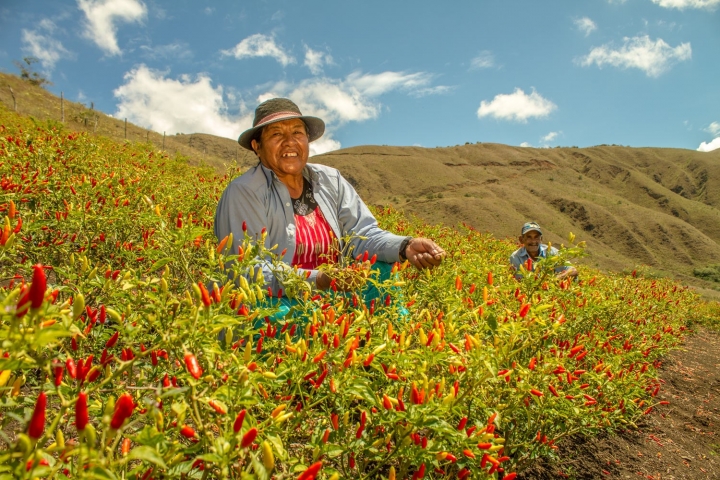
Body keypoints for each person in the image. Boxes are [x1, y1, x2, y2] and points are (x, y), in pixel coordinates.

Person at [214, 98, 445, 296]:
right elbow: (247, 270)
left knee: (382, 271)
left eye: (297, 132)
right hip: (281, 300)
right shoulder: (244, 192)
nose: (289, 142)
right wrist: (320, 279)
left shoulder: (329, 179)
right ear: (257, 146)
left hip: (333, 293)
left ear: (307, 140)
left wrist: (405, 246)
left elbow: (362, 235)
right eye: (276, 134)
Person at [509, 222, 577, 280]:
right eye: (529, 237)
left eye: (536, 237)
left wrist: (555, 279)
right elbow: (521, 282)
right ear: (521, 240)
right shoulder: (516, 257)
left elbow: (573, 270)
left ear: (541, 239)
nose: (533, 241)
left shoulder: (551, 252)